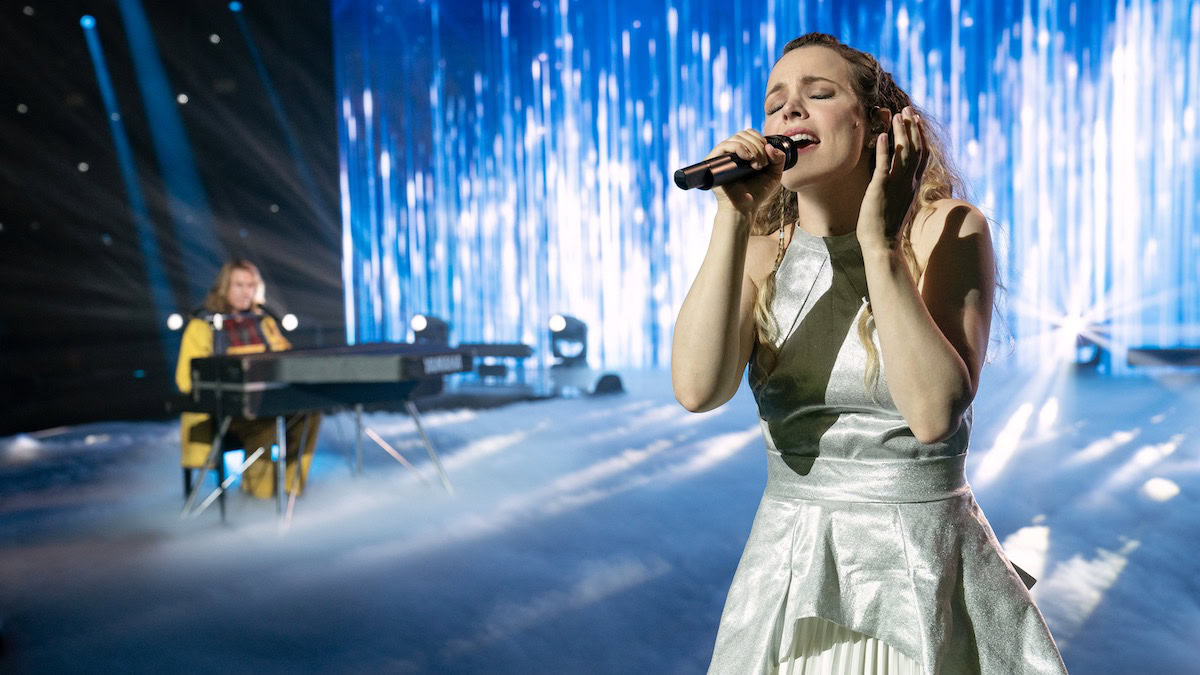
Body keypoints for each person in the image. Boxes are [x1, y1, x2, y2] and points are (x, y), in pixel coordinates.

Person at [671, 33, 1068, 674]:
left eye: (818, 94)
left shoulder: (948, 228)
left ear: (879, 124)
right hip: (793, 572)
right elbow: (696, 389)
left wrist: (877, 243)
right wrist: (733, 218)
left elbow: (934, 411)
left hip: (919, 572)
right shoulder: (763, 248)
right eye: (775, 105)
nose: (789, 113)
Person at [175, 259, 320, 500]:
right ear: (225, 287)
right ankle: (259, 499)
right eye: (239, 285)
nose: (246, 292)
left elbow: (287, 360)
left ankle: (291, 491)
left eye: (251, 285)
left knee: (310, 414)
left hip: (266, 403)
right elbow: (186, 380)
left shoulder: (264, 323)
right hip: (225, 412)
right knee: (265, 426)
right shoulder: (202, 326)